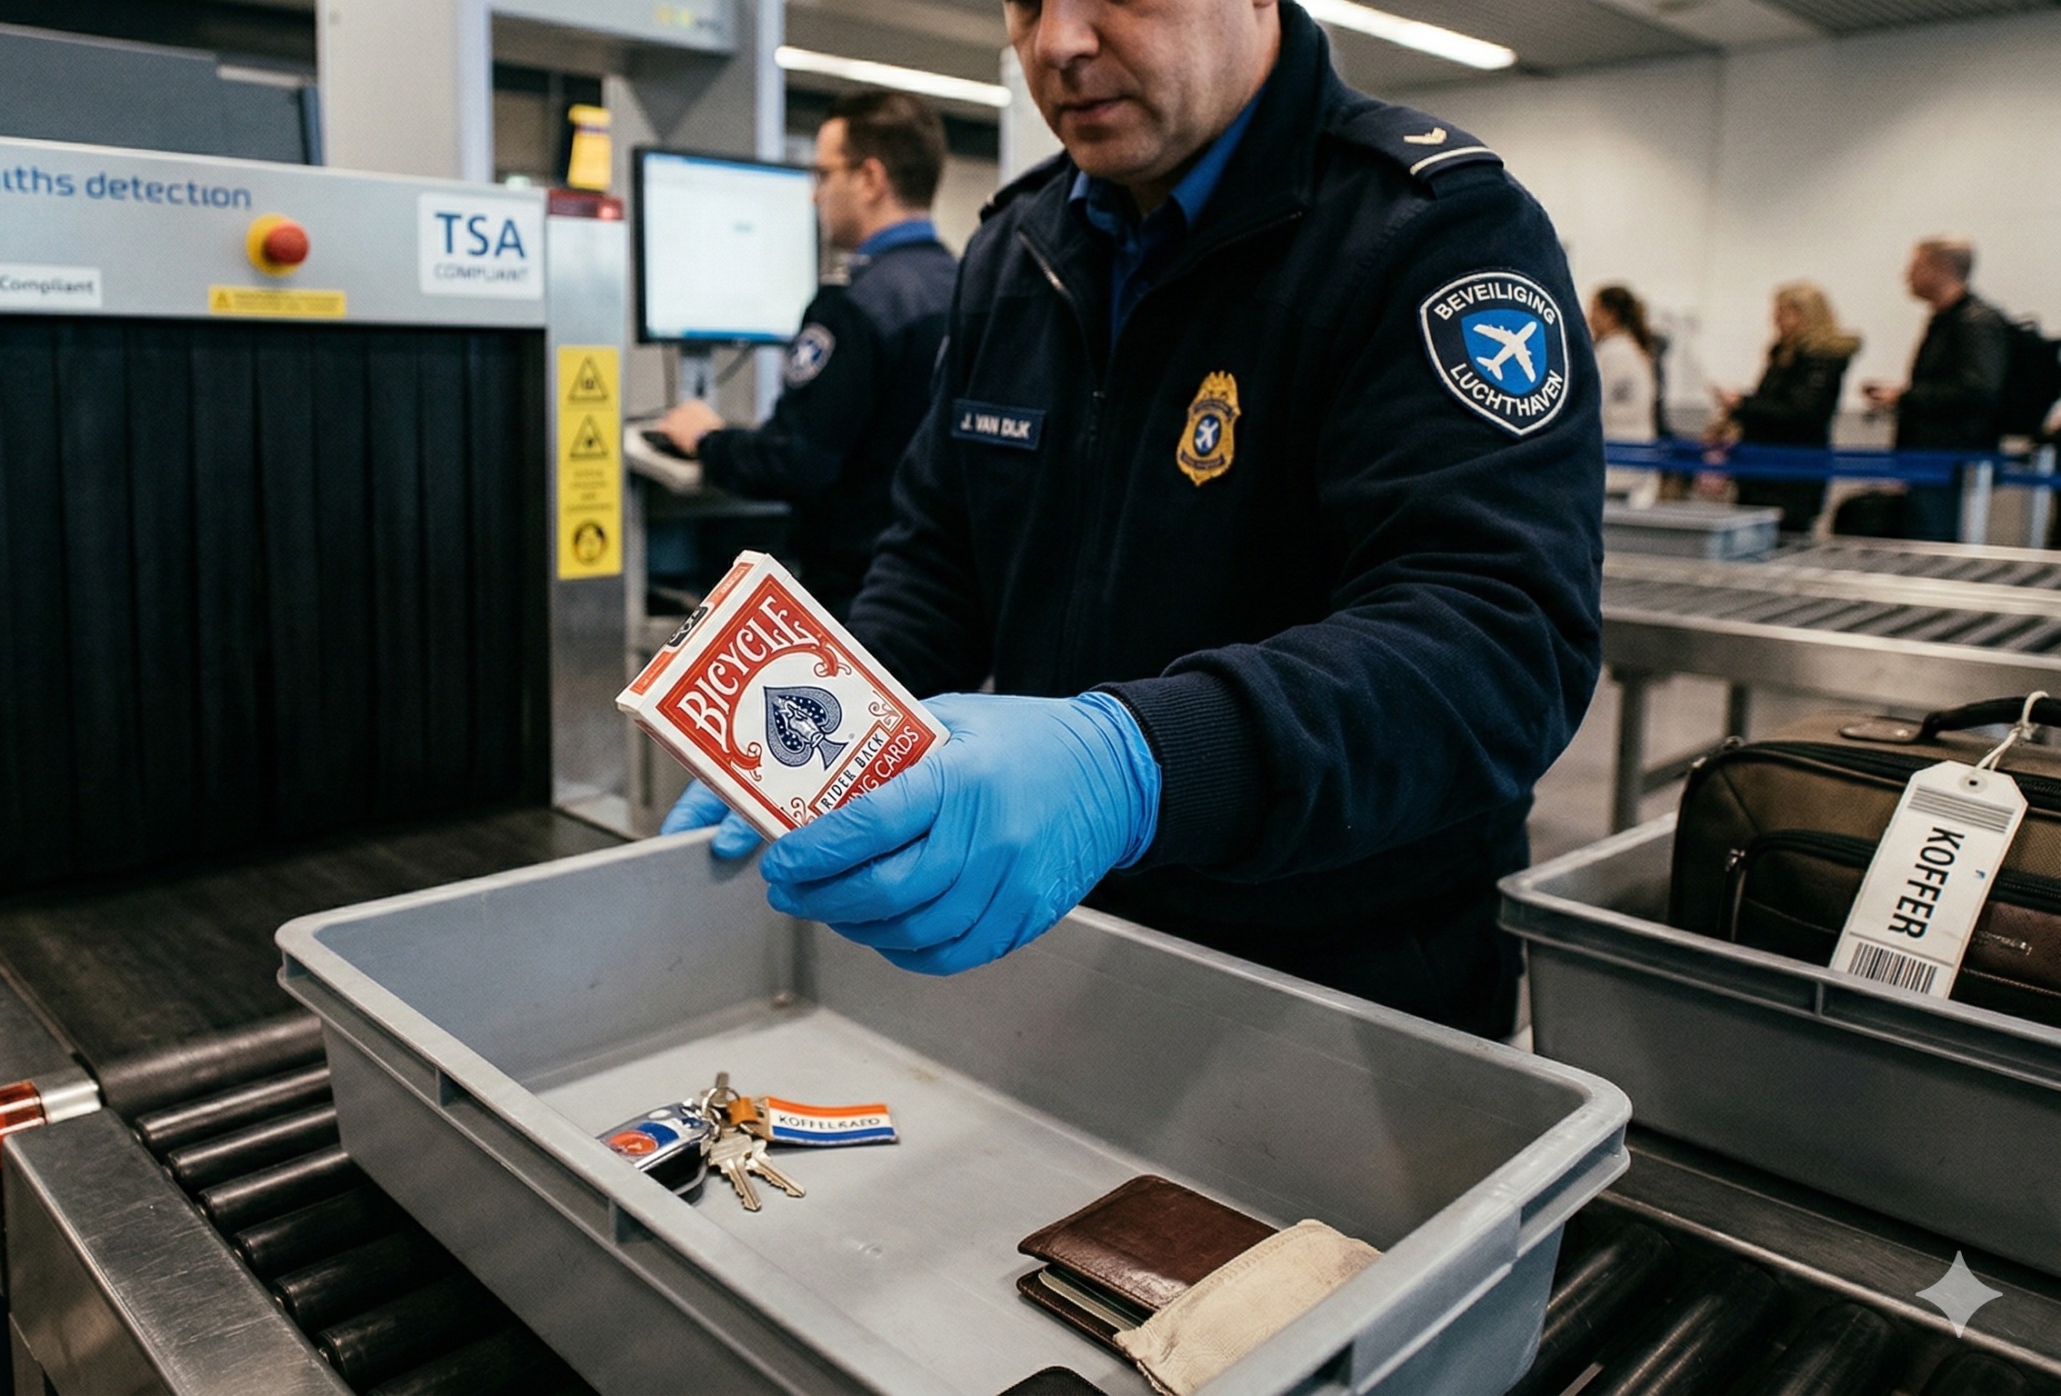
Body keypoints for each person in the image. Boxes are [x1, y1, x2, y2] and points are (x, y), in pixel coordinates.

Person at [667, 0, 1603, 1037]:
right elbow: (940, 561)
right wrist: (812, 733)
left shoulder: (1424, 234)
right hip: (1059, 943)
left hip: (1338, 984)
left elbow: (1498, 644)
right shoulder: (1017, 251)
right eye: (1025, 3)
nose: (1057, 43)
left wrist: (1141, 763)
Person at [647, 91, 960, 615]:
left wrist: (707, 440)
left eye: (822, 175)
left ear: (870, 179)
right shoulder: (965, 286)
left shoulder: (856, 305)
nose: (814, 197)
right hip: (941, 595)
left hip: (861, 592)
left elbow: (797, 461)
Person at [1857, 236, 2009, 541]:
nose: (1906, 276)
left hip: (1949, 461)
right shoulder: (1948, 320)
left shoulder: (1973, 322)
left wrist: (1905, 397)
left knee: (1931, 540)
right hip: (1929, 459)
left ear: (1941, 268)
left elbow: (1977, 390)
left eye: (1914, 267)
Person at [1709, 282, 1861, 533]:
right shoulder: (1782, 354)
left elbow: (1803, 412)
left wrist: (1743, 404)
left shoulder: (1820, 359)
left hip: (1791, 471)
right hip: (1761, 466)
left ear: (1805, 316)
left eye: (1782, 313)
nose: (1775, 320)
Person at [1589, 284, 1660, 506]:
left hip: (1617, 458)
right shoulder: (1632, 349)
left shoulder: (1614, 353)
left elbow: (1594, 404)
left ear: (1609, 314)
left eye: (1594, 309)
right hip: (1630, 457)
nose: (1589, 317)